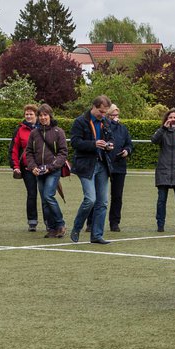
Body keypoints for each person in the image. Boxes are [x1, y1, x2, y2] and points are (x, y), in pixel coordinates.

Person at [69, 94, 113, 244]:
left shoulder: (106, 122)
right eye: (100, 111)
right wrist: (94, 144)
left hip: (102, 165)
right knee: (90, 199)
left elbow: (110, 139)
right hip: (86, 165)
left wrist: (109, 145)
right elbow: (75, 142)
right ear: (93, 107)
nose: (102, 115)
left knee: (103, 202)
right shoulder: (80, 122)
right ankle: (77, 226)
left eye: (105, 112)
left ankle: (97, 235)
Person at [24, 103, 69, 238]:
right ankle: (51, 228)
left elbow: (63, 152)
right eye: (41, 115)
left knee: (49, 196)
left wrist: (51, 167)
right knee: (44, 200)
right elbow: (29, 152)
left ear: (50, 116)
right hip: (38, 171)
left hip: (53, 170)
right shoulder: (34, 133)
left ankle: (60, 224)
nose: (43, 117)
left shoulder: (58, 132)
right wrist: (33, 167)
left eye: (45, 115)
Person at [152, 108, 175, 232]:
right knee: (161, 200)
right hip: (164, 170)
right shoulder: (162, 131)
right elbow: (154, 140)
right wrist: (163, 128)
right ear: (166, 119)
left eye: (174, 117)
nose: (172, 120)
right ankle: (160, 225)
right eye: (170, 117)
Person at [10, 104, 41, 231]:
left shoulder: (44, 127)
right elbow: (14, 149)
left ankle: (50, 222)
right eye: (26, 114)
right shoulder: (19, 129)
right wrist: (15, 166)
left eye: (31, 114)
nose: (28, 116)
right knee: (32, 194)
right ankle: (32, 222)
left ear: (36, 115)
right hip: (27, 168)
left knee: (47, 195)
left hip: (44, 167)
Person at [105, 104, 133, 232]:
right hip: (105, 164)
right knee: (99, 196)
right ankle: (91, 222)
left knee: (117, 196)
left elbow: (129, 144)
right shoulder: (104, 127)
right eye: (113, 115)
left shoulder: (123, 129)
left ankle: (114, 223)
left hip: (119, 165)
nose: (116, 118)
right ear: (108, 116)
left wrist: (127, 151)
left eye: (117, 115)